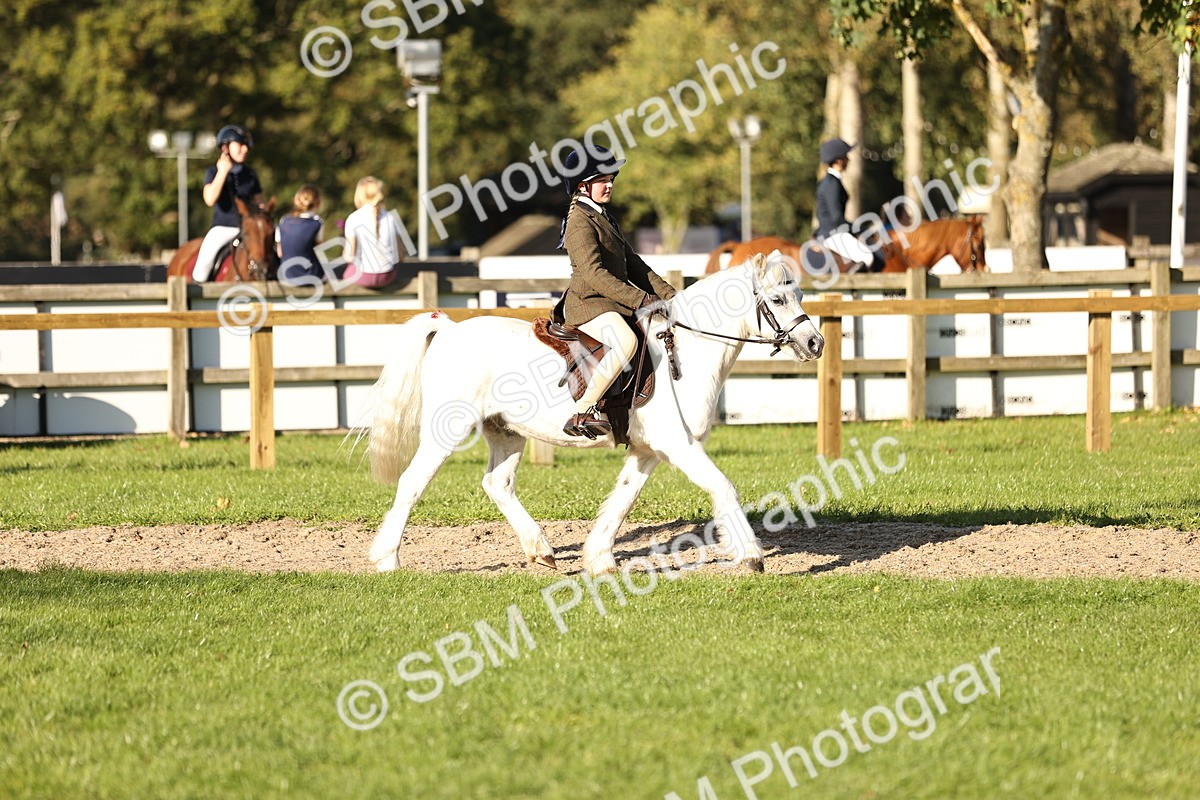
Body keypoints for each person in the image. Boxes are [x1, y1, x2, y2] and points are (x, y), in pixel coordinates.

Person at [558, 146, 678, 439]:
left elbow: (634, 264)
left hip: (610, 305)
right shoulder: (579, 221)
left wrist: (671, 296)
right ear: (583, 186)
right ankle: (584, 410)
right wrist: (640, 299)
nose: (610, 184)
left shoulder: (603, 217)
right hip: (588, 305)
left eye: (611, 178)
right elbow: (594, 275)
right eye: (602, 179)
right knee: (625, 342)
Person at [192, 125, 264, 282]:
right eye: (240, 145)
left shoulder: (250, 174)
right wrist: (223, 171)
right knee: (202, 268)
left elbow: (260, 205)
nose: (245, 149)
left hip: (249, 229)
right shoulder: (212, 172)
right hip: (223, 228)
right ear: (225, 147)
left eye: (246, 146)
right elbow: (210, 199)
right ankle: (198, 293)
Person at [814, 138, 882, 272]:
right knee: (867, 257)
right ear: (839, 161)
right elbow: (836, 218)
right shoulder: (832, 184)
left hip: (832, 232)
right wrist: (859, 229)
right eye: (846, 157)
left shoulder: (831, 182)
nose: (848, 160)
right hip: (832, 234)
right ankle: (852, 292)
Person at [342, 177, 403, 288]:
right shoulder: (392, 218)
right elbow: (400, 256)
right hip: (387, 276)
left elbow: (350, 256)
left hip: (363, 277)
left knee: (346, 274)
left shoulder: (353, 218)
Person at [276, 184, 324, 284]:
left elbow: (280, 253)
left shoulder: (283, 221)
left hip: (286, 275)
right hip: (311, 276)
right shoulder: (317, 222)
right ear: (318, 204)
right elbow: (319, 251)